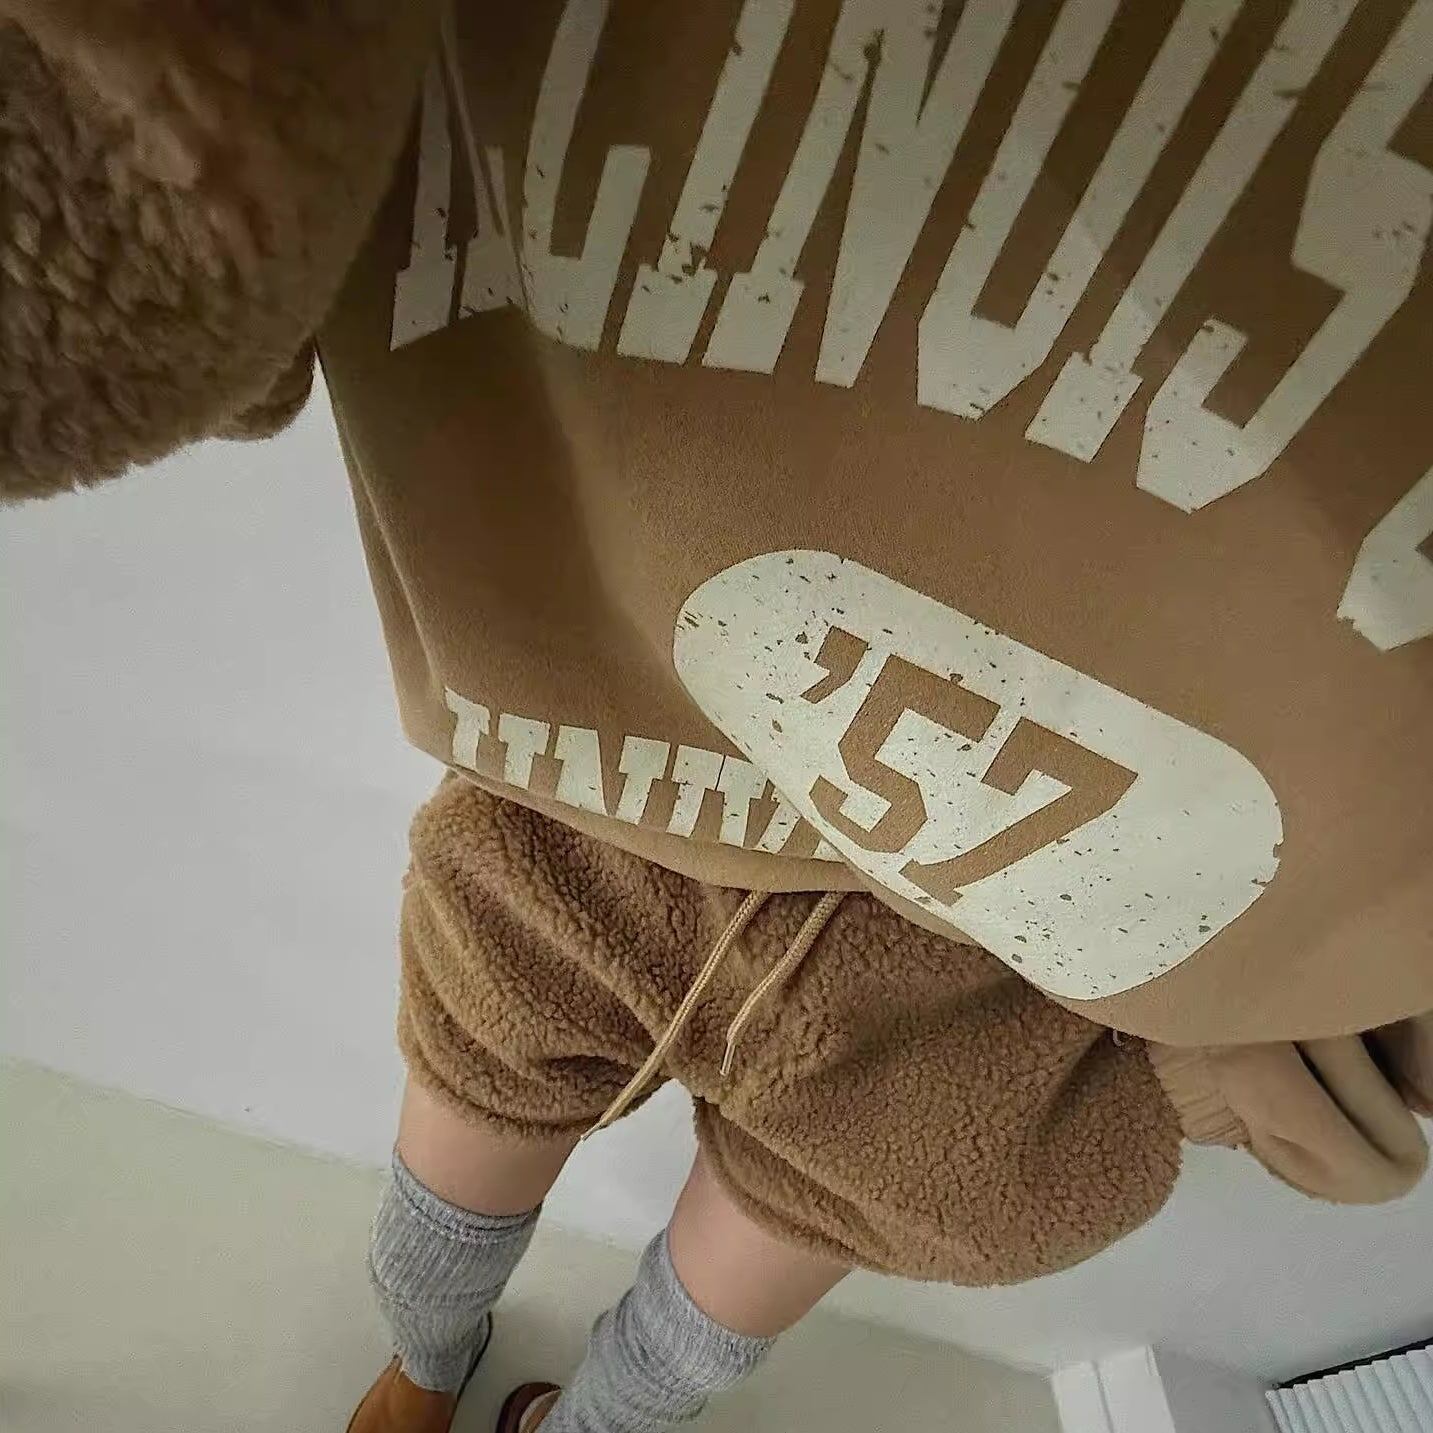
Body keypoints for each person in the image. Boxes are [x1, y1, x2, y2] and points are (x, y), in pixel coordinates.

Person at [4, 4, 1431, 1432]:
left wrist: (1231, 1038)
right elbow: (133, 243)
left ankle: (535, 1407)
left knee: (680, 1332)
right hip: (602, 786)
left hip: (1014, 976)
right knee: (451, 1204)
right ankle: (428, 1361)